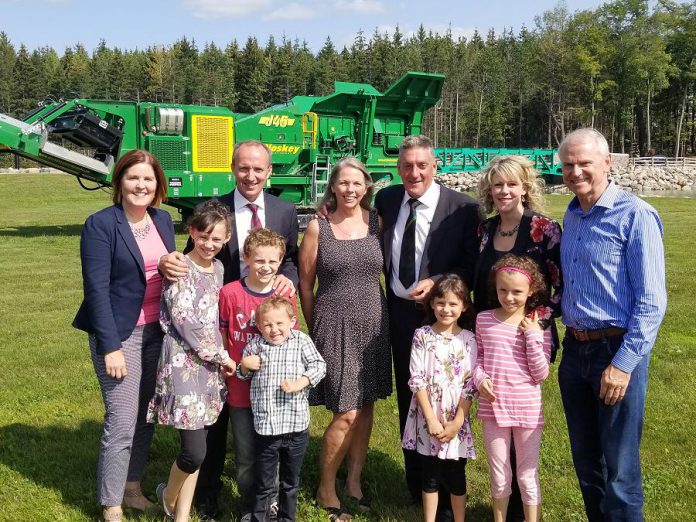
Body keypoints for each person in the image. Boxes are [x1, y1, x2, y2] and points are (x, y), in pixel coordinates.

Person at [159, 140, 300, 520]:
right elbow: (191, 254)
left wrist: (288, 280)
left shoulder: (286, 211)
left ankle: (262, 493)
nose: (251, 176)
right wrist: (166, 261)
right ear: (232, 169)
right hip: (225, 325)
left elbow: (290, 261)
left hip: (268, 323)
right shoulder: (217, 208)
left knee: (263, 409)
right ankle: (205, 494)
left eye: (259, 169)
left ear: (270, 172)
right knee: (217, 419)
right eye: (243, 168)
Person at [557, 128, 667, 521]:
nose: (575, 171)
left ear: (607, 163)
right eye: (568, 164)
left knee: (619, 467)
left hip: (615, 351)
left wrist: (623, 365)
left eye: (584, 162)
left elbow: (652, 302)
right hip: (575, 352)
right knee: (587, 463)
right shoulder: (572, 213)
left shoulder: (635, 214)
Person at [374, 135, 482, 518]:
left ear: (435, 165)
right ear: (398, 167)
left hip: (444, 317)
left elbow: (472, 267)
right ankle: (417, 482)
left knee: (449, 397)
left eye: (422, 165)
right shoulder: (387, 199)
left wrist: (438, 282)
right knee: (412, 396)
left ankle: (451, 480)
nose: (414, 173)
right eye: (406, 166)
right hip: (400, 314)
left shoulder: (464, 208)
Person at [72, 150, 175, 522]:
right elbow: (95, 290)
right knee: (121, 418)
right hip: (119, 334)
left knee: (146, 415)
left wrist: (172, 266)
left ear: (157, 186)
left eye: (148, 179)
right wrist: (111, 346)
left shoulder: (162, 220)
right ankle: (111, 504)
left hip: (156, 332)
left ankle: (132, 488)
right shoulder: (101, 224)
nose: (141, 185)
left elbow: (166, 269)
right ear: (119, 182)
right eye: (133, 178)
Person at [299, 157, 391, 520]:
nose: (350, 189)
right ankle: (325, 486)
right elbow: (305, 284)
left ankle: (354, 480)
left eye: (357, 183)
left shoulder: (378, 223)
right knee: (346, 410)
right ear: (333, 187)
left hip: (374, 322)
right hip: (333, 322)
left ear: (366, 186)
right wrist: (313, 327)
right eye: (343, 183)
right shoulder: (317, 227)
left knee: (366, 404)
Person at [474, 155, 563, 522]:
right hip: (491, 338)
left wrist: (529, 324)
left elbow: (559, 288)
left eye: (512, 184)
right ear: (489, 191)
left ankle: (523, 509)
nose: (504, 191)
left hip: (529, 339)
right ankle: (505, 507)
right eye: (498, 185)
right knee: (497, 441)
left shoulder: (545, 228)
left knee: (522, 444)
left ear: (526, 187)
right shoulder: (484, 230)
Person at [148, 200, 237, 521]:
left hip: (209, 370)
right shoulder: (180, 269)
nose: (210, 244)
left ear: (227, 239)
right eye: (204, 236)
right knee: (194, 451)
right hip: (183, 367)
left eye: (218, 239)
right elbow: (187, 323)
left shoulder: (219, 269)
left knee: (200, 447)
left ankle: (181, 515)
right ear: (192, 232)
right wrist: (222, 356)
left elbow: (215, 318)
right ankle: (167, 495)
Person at [218, 228, 299, 521]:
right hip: (240, 391)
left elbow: (293, 341)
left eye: (273, 262)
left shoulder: (284, 296)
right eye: (259, 261)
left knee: (272, 453)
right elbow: (222, 337)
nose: (266, 267)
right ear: (246, 258)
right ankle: (250, 504)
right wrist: (237, 365)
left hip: (274, 393)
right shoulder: (230, 293)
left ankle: (273, 502)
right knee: (245, 454)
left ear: (281, 263)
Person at [473, 254, 552, 522]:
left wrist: (532, 335)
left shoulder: (539, 325)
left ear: (532, 291)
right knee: (499, 472)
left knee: (527, 473)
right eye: (503, 290)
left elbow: (541, 373)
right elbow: (478, 357)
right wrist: (479, 378)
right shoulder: (483, 319)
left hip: (527, 409)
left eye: (517, 292)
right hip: (493, 408)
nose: (509, 297)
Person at [238, 297, 326, 522]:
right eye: (267, 325)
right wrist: (245, 366)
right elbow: (241, 374)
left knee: (290, 482)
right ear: (259, 326)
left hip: (296, 427)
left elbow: (319, 365)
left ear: (292, 321)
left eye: (279, 324)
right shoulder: (257, 345)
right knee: (265, 483)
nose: (274, 330)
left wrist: (301, 382)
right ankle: (260, 517)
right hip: (267, 429)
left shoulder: (300, 341)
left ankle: (287, 518)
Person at [401, 274, 477, 522]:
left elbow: (470, 384)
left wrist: (457, 422)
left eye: (453, 304)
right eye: (441, 303)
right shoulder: (422, 335)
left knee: (456, 474)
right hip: (428, 416)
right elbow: (417, 379)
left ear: (464, 306)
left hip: (457, 415)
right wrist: (431, 420)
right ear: (432, 304)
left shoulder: (469, 339)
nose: (446, 309)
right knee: (430, 475)